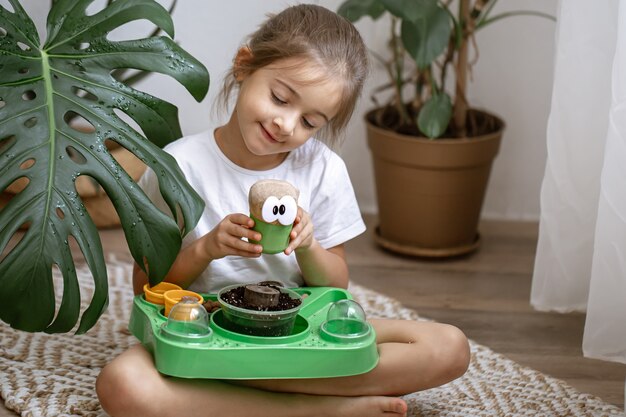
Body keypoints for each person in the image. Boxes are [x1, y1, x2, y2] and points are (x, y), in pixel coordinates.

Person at [96, 4, 470, 417]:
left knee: (450, 347)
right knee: (122, 385)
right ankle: (318, 408)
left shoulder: (324, 170)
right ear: (244, 66)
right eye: (279, 98)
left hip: (297, 332)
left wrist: (308, 246)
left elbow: (336, 285)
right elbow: (145, 285)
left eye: (310, 121)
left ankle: (240, 389)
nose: (287, 125)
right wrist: (207, 249)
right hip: (204, 332)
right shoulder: (179, 165)